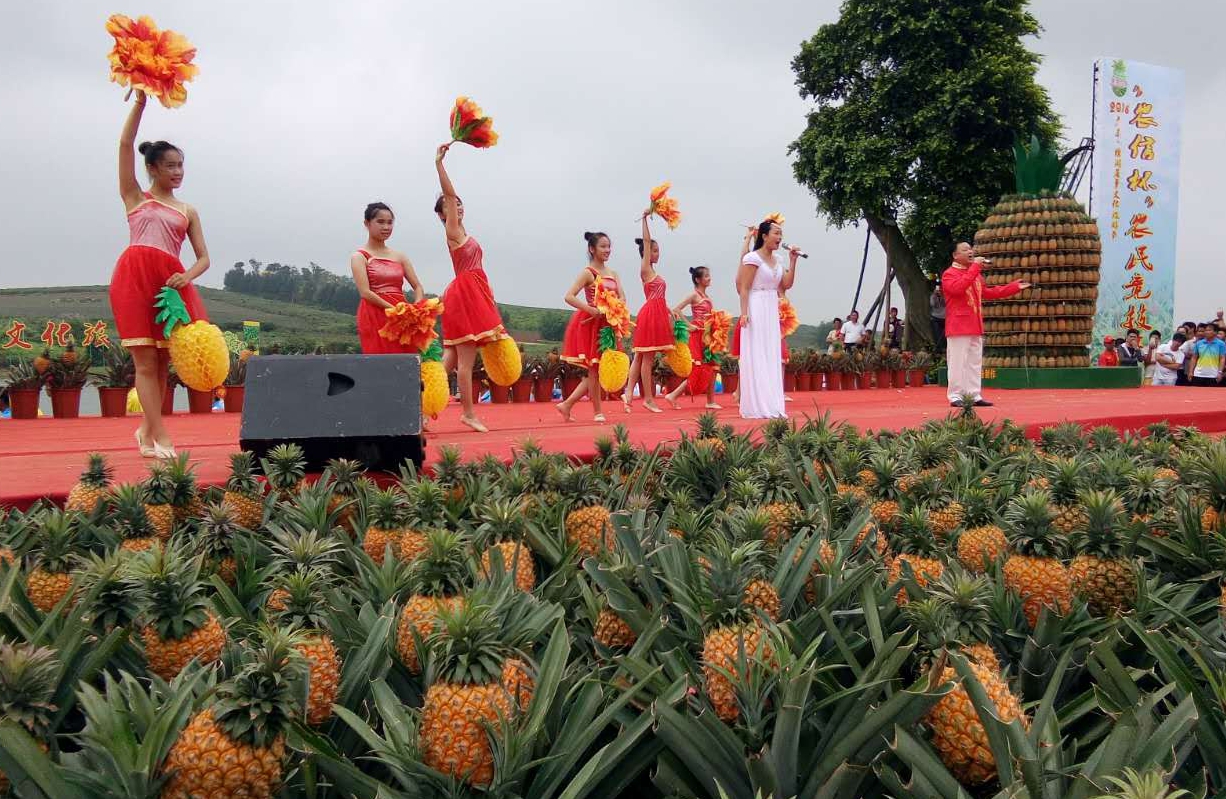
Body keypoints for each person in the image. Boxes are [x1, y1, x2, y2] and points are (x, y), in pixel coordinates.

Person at [110, 91, 211, 459]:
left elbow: (203, 258)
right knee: (144, 361)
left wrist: (187, 277)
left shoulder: (187, 210)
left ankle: (145, 430)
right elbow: (124, 143)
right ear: (152, 168)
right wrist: (140, 102)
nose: (178, 172)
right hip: (135, 279)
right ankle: (160, 437)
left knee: (164, 362)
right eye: (170, 165)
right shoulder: (135, 197)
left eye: (181, 165)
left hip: (171, 285)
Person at [434, 143, 510, 433]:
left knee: (448, 361)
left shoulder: (464, 231)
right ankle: (467, 413)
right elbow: (450, 195)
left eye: (460, 204)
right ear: (443, 214)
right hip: (466, 295)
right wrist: (440, 164)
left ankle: (423, 411)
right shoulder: (452, 230)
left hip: (472, 291)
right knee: (465, 361)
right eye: (451, 206)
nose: (457, 206)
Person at [941, 242, 1029, 407]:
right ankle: (955, 396)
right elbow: (958, 289)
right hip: (959, 326)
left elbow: (989, 293)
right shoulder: (949, 274)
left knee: (974, 362)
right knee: (958, 363)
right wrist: (975, 268)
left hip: (975, 325)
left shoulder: (975, 275)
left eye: (970, 249)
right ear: (955, 255)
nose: (970, 251)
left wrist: (1014, 287)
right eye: (965, 250)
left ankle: (974, 395)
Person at [557, 232, 625, 422]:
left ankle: (567, 405)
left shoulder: (613, 274)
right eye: (603, 246)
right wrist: (591, 309)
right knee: (595, 369)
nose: (607, 250)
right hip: (592, 325)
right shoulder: (588, 273)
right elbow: (569, 296)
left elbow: (623, 297)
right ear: (592, 249)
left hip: (609, 325)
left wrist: (616, 309)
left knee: (600, 369)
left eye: (609, 246)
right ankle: (597, 412)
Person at [737, 218, 800, 419]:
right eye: (776, 233)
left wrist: (793, 260)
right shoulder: (752, 258)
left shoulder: (779, 260)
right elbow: (744, 288)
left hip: (771, 306)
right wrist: (744, 313)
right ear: (764, 236)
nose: (779, 238)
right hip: (755, 305)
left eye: (781, 234)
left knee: (771, 353)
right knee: (757, 353)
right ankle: (757, 404)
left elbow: (786, 284)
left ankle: (773, 403)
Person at [351, 202, 425, 354]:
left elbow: (417, 286)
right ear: (367, 223)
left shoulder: (399, 256)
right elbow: (365, 292)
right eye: (380, 222)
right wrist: (394, 310)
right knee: (380, 361)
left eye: (390, 223)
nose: (386, 227)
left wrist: (415, 310)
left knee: (407, 360)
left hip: (402, 315)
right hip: (375, 313)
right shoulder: (359, 256)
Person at [622, 211, 673, 413]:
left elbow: (659, 296)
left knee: (640, 357)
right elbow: (645, 240)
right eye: (654, 251)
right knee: (647, 358)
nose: (657, 254)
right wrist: (644, 220)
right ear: (646, 253)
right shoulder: (645, 269)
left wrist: (669, 310)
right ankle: (648, 399)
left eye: (658, 251)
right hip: (650, 315)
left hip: (657, 312)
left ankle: (628, 393)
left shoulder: (654, 272)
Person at [665, 266, 720, 409]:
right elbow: (676, 310)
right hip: (697, 335)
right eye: (706, 276)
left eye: (709, 275)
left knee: (713, 366)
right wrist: (689, 325)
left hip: (707, 334)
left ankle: (710, 401)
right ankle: (673, 395)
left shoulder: (707, 297)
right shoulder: (694, 295)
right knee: (697, 368)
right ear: (698, 279)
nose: (709, 278)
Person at [930, 282, 947, 352]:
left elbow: (946, 303)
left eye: (940, 289)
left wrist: (942, 295)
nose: (938, 290)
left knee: (944, 334)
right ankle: (939, 349)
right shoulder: (932, 296)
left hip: (944, 318)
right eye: (937, 289)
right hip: (935, 317)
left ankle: (945, 347)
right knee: (937, 334)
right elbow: (932, 304)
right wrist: (934, 295)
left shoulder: (945, 295)